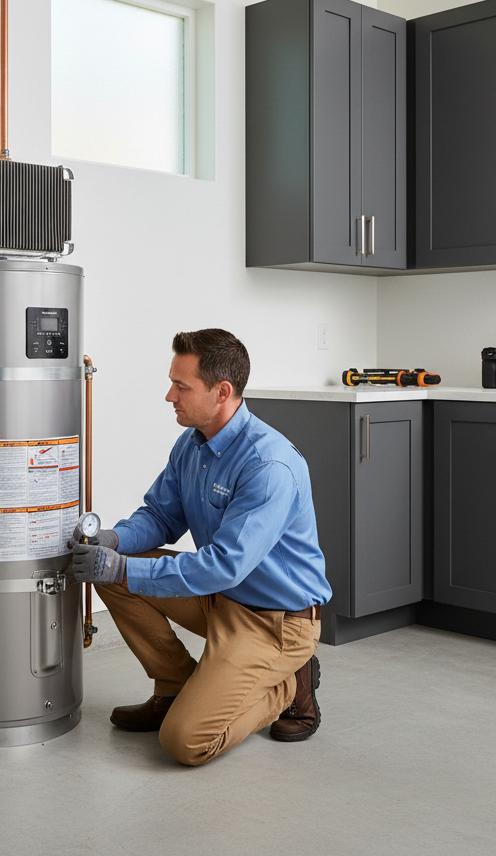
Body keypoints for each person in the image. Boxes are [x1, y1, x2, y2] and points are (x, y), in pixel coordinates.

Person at [71, 328, 331, 766]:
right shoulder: (193, 445)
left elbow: (224, 565)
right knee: (117, 571)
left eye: (181, 386)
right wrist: (112, 541)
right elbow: (160, 516)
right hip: (220, 599)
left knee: (185, 743)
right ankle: (174, 687)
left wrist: (121, 568)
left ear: (222, 391)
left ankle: (289, 682)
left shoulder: (269, 466)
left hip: (275, 621)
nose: (169, 395)